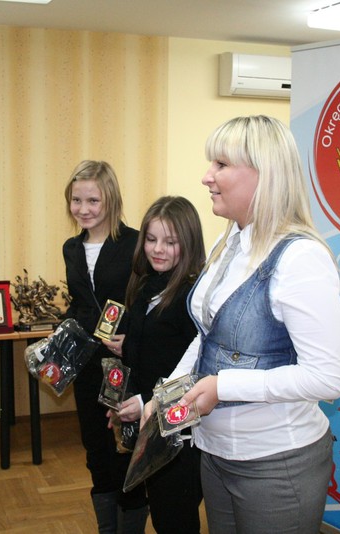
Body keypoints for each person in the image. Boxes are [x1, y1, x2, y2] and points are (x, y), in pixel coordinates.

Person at [144, 115, 340, 533]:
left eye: (221, 164)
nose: (207, 176)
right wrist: (165, 396)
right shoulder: (229, 241)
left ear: (264, 174)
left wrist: (224, 387)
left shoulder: (300, 258)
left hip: (276, 465)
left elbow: (327, 378)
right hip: (216, 455)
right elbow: (206, 338)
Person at [105, 196, 205, 533]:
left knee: (175, 519)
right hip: (150, 421)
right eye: (151, 239)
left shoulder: (192, 297)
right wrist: (125, 398)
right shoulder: (146, 285)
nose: (158, 249)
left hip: (180, 431)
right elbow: (150, 352)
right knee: (162, 514)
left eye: (170, 242)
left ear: (189, 243)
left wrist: (143, 402)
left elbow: (196, 370)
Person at [61, 160, 147, 533]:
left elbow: (150, 302)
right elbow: (81, 306)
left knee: (127, 448)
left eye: (92, 200)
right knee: (96, 449)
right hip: (86, 367)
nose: (83, 209)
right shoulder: (71, 248)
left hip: (123, 364)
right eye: (76, 200)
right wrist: (58, 341)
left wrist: (134, 338)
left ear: (110, 199)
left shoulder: (136, 243)